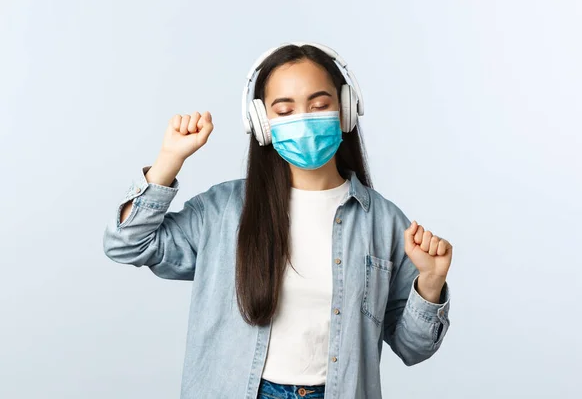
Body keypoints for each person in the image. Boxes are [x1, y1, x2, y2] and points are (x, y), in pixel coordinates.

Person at [103, 42, 453, 399]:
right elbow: (127, 244)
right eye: (284, 110)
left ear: (345, 111)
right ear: (262, 123)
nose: (303, 120)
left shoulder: (384, 222)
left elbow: (413, 348)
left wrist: (430, 282)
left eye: (319, 106)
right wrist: (169, 160)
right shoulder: (222, 211)